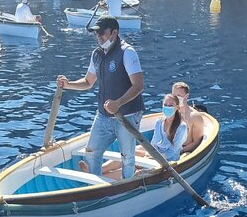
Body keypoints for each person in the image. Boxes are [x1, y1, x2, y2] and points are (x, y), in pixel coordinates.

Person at [56, 15, 144, 179]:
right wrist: (69, 84)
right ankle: (94, 185)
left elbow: (138, 85)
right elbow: (88, 81)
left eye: (102, 33)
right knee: (92, 151)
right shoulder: (96, 55)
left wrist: (119, 102)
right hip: (103, 115)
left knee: (127, 156)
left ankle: (127, 186)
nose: (98, 37)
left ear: (114, 33)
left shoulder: (127, 53)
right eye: (96, 34)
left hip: (128, 115)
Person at [97, 93, 187, 178]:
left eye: (171, 105)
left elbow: (171, 152)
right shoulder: (159, 122)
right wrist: (149, 154)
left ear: (177, 108)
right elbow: (154, 143)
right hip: (156, 152)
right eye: (165, 105)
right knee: (131, 152)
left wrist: (153, 157)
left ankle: (103, 178)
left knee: (137, 169)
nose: (167, 107)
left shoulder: (181, 127)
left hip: (168, 160)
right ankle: (100, 169)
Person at [171, 82, 205, 154]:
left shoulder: (195, 116)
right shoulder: (170, 112)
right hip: (168, 147)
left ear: (186, 96)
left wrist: (180, 151)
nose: (175, 98)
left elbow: (197, 142)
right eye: (173, 95)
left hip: (184, 150)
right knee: (140, 149)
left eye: (179, 95)